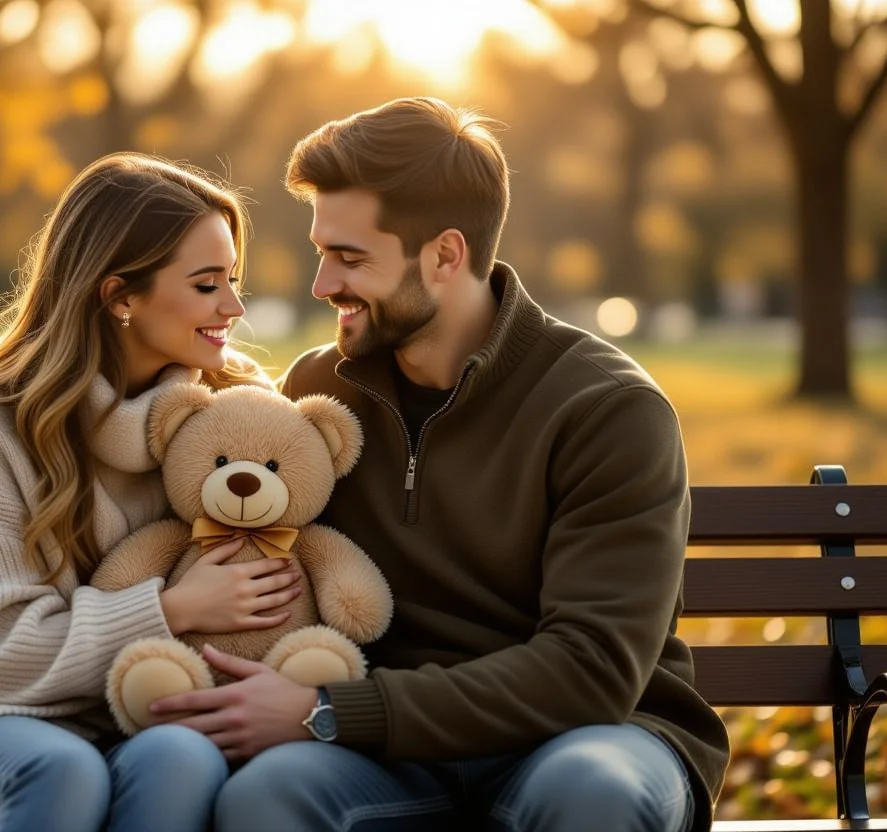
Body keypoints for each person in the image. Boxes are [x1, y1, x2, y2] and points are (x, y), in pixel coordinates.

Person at [147, 98, 731, 831]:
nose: (323, 284)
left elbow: (592, 670)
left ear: (446, 255)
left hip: (587, 736)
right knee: (267, 796)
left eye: (351, 258)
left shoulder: (607, 409)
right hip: (386, 751)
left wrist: (330, 710)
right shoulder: (319, 392)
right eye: (322, 251)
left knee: (593, 793)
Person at [0, 153, 303, 832]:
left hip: (146, 711)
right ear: (119, 295)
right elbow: (2, 648)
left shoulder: (232, 412)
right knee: (62, 771)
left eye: (232, 280)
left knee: (183, 759)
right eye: (208, 285)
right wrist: (170, 609)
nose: (234, 307)